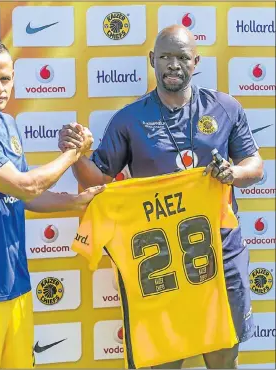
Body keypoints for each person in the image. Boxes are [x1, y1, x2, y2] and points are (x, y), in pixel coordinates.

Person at [58, 25, 263, 369]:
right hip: (160, 264)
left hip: (221, 254)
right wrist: (76, 155)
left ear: (196, 62)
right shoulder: (129, 119)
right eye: (166, 56)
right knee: (165, 359)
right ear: (152, 59)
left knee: (224, 354)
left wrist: (234, 173)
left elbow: (255, 166)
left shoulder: (225, 107)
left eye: (182, 57)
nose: (173, 65)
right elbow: (100, 178)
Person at [0, 38, 104, 369]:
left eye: (5, 78)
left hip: (17, 284)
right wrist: (74, 152)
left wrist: (76, 202)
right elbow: (27, 184)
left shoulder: (9, 125)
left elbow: (24, 196)